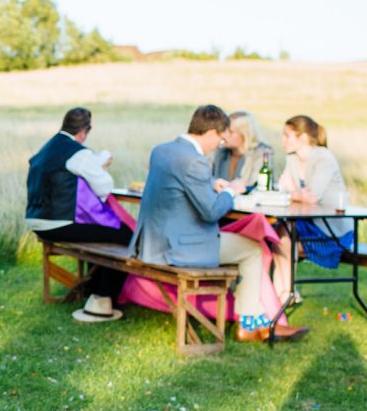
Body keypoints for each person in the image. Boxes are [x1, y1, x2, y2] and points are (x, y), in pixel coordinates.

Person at [130, 105, 275, 341]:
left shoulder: (162, 150)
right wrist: (231, 192)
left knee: (241, 246)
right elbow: (211, 212)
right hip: (180, 249)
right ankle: (247, 322)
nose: (217, 146)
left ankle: (250, 316)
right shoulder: (195, 161)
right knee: (253, 249)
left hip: (151, 243)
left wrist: (211, 183)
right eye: (219, 140)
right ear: (210, 133)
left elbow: (179, 189)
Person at [26, 106, 133, 322]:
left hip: (36, 221)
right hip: (60, 223)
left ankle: (91, 290)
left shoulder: (47, 148)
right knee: (125, 235)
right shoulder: (78, 152)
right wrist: (101, 168)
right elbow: (104, 186)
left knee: (103, 234)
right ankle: (105, 296)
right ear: (83, 132)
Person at [271, 114, 352, 299]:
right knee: (279, 233)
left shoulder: (323, 158)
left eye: (287, 135)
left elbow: (312, 197)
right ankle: (285, 293)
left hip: (330, 230)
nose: (282, 140)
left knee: (282, 238)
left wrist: (293, 195)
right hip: (307, 223)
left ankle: (285, 292)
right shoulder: (292, 158)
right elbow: (282, 187)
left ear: (303, 138)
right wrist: (295, 195)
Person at [212, 110, 275, 193]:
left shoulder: (262, 153)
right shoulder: (219, 151)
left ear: (245, 134)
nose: (224, 135)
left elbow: (256, 187)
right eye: (224, 130)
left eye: (230, 132)